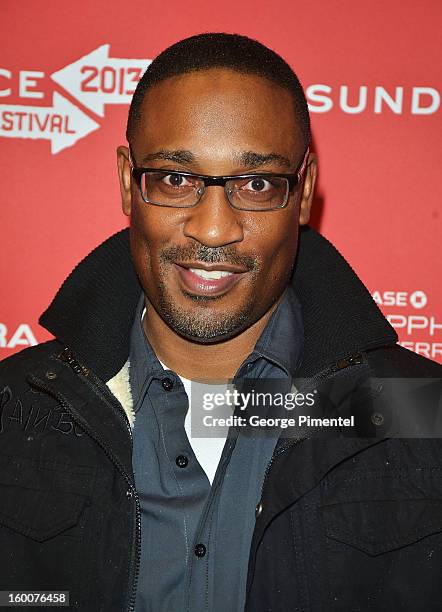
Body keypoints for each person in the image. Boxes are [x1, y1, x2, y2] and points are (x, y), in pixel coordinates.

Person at [0, 33, 441, 612]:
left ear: (303, 192)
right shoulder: (14, 408)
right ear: (128, 184)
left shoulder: (420, 414)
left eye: (256, 183)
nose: (212, 230)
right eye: (176, 179)